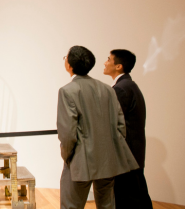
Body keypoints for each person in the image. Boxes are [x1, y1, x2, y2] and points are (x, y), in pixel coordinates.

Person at [58, 46, 139, 209]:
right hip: (108, 159)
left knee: (71, 205)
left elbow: (67, 133)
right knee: (107, 205)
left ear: (70, 65)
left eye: (65, 57)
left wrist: (67, 156)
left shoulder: (67, 91)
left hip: (80, 160)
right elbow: (120, 125)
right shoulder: (107, 89)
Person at [104, 49, 153, 209]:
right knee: (137, 195)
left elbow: (114, 124)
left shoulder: (121, 89)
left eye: (108, 59)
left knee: (128, 199)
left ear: (118, 66)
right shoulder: (128, 85)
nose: (105, 62)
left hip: (126, 155)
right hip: (132, 154)